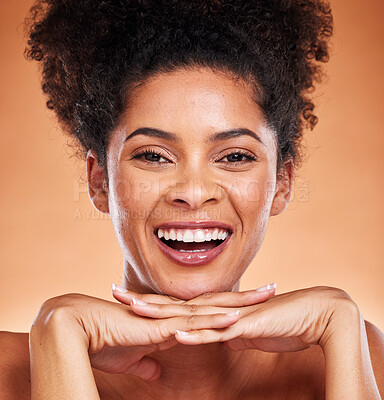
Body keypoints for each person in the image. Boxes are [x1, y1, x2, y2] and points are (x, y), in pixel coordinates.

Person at [1, 0, 383, 398]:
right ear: (100, 182)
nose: (194, 193)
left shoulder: (354, 356)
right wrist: (57, 335)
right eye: (153, 156)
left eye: (235, 156)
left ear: (282, 183)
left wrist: (341, 322)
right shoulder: (13, 369)